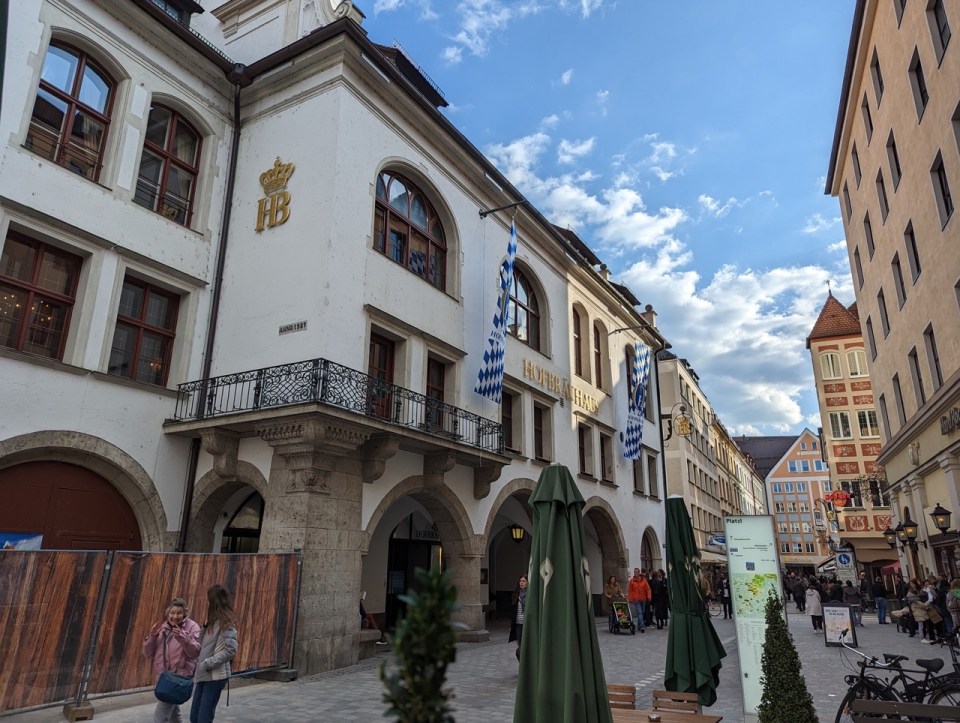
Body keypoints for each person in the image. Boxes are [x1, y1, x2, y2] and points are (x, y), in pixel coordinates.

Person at [143, 598, 201, 723]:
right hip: (164, 678)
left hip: (178, 679)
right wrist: (152, 636)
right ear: (168, 613)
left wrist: (182, 638)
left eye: (179, 613)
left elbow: (195, 652)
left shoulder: (192, 627)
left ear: (184, 614)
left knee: (160, 717)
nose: (175, 616)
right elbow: (148, 653)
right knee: (174, 714)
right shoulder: (163, 628)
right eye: (172, 613)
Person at [191, 585, 238, 723]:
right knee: (194, 717)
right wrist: (204, 627)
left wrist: (208, 663)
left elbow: (231, 650)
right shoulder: (212, 622)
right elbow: (200, 644)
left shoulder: (226, 624)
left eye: (208, 600)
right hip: (203, 675)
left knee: (203, 718)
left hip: (215, 676)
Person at [508, 575, 527, 660]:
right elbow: (513, 611)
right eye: (520, 581)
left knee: (526, 645)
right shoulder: (516, 595)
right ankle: (521, 663)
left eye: (524, 581)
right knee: (520, 645)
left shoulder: (530, 595)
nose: (521, 583)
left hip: (526, 624)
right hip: (518, 623)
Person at [627, 568, 651, 633]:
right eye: (634, 572)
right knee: (640, 612)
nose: (635, 573)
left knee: (642, 612)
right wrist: (630, 599)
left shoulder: (643, 580)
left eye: (636, 572)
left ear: (639, 572)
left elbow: (648, 588)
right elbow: (630, 591)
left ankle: (639, 625)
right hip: (636, 599)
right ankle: (642, 626)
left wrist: (649, 596)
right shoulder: (632, 581)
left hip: (643, 599)